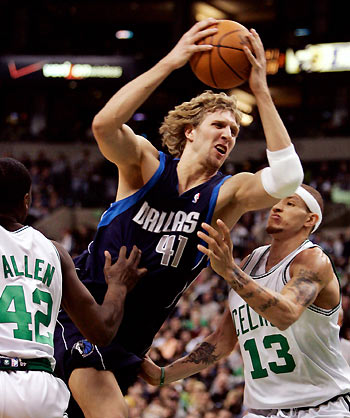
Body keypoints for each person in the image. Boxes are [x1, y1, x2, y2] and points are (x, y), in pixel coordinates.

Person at [54, 17, 304, 418]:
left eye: (235, 131)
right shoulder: (145, 166)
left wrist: (260, 89)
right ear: (190, 131)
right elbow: (103, 124)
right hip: (84, 314)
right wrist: (171, 61)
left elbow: (290, 177)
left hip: (130, 341)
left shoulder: (227, 193)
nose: (228, 135)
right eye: (219, 125)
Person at [141, 184, 350, 417]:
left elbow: (286, 314)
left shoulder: (313, 260)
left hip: (321, 407)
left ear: (310, 220)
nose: (277, 207)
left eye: (290, 203)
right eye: (278, 201)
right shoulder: (250, 262)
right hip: (262, 410)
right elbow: (221, 340)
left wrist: (230, 272)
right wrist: (163, 375)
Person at [0, 157, 146, 418]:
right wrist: (118, 287)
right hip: (41, 390)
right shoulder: (54, 251)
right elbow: (101, 331)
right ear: (26, 201)